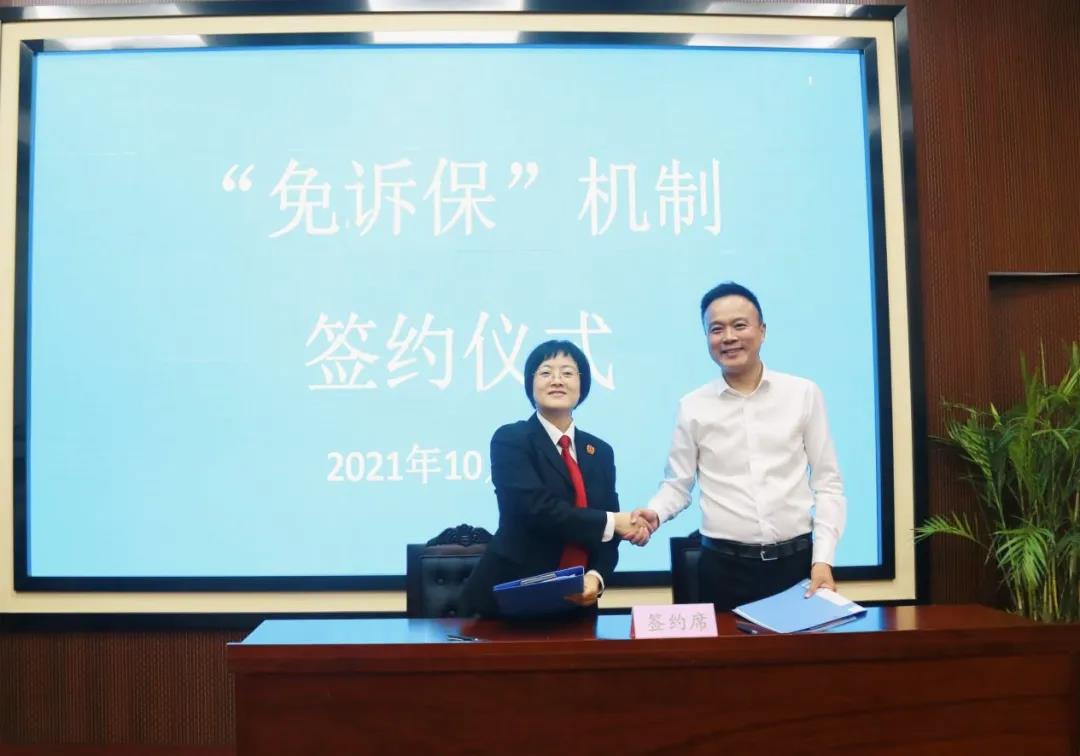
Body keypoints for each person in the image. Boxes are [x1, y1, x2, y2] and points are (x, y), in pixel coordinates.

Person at [631, 282, 846, 610]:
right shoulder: (693, 406)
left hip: (796, 565)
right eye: (716, 329)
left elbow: (828, 484)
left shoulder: (803, 394)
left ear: (762, 331)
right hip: (723, 570)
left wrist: (823, 560)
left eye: (739, 325)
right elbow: (677, 485)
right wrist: (655, 513)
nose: (728, 337)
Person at [461, 339, 645, 617]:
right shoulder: (511, 439)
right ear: (530, 384)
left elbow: (609, 536)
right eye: (546, 372)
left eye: (568, 373)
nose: (557, 380)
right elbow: (536, 509)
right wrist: (614, 522)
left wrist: (596, 577)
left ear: (582, 385)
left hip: (577, 604)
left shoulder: (600, 451)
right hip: (509, 602)